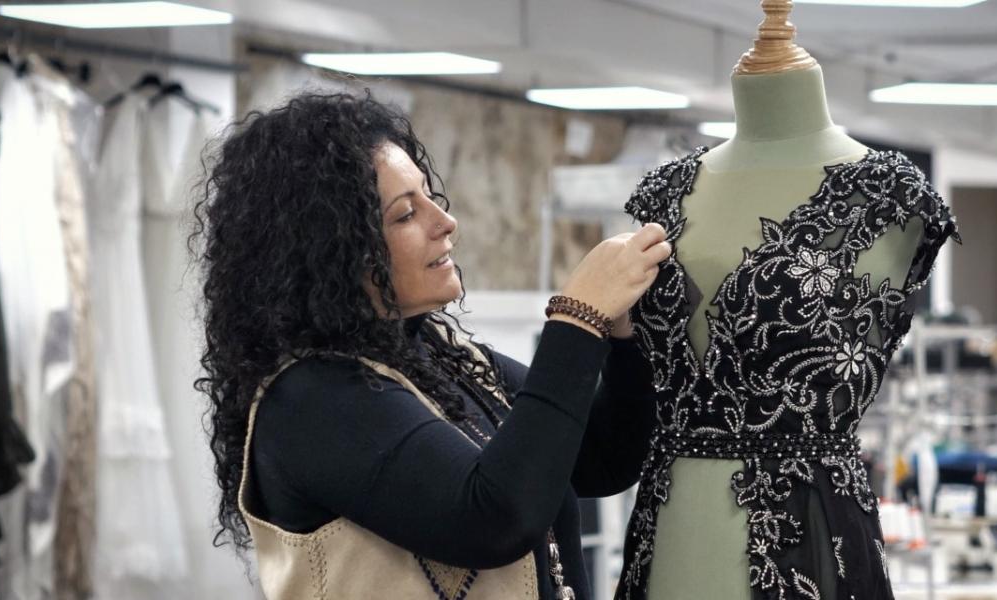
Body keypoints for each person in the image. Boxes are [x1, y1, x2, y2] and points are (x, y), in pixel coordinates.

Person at [191, 89, 671, 599]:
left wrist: (624, 334)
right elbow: (493, 519)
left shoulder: (444, 358)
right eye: (404, 215)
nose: (445, 223)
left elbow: (601, 458)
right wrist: (577, 318)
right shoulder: (311, 398)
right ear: (332, 249)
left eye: (429, 198)